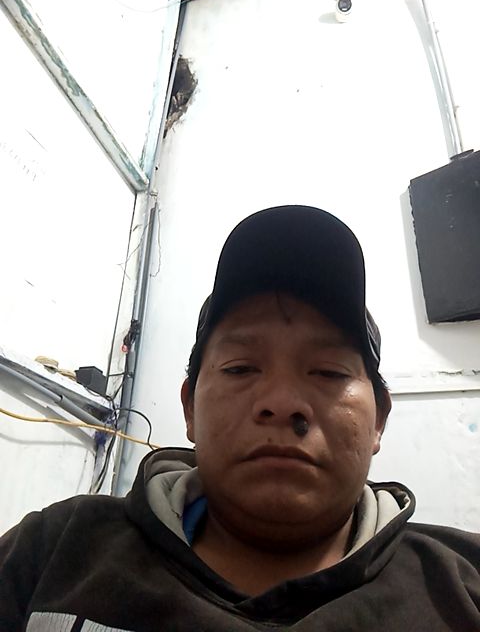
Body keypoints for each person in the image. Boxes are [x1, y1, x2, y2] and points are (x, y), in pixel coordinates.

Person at [0, 205, 479, 631]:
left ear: (379, 420)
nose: (282, 402)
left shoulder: (464, 586)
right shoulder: (53, 548)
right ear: (190, 408)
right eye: (241, 368)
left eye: (329, 372)